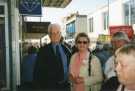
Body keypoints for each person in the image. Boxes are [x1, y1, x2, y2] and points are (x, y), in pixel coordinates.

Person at [33, 23, 71, 91]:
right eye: (53, 33)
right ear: (49, 35)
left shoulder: (66, 49)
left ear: (60, 34)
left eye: (57, 32)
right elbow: (37, 73)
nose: (55, 35)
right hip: (49, 87)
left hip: (65, 87)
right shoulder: (43, 51)